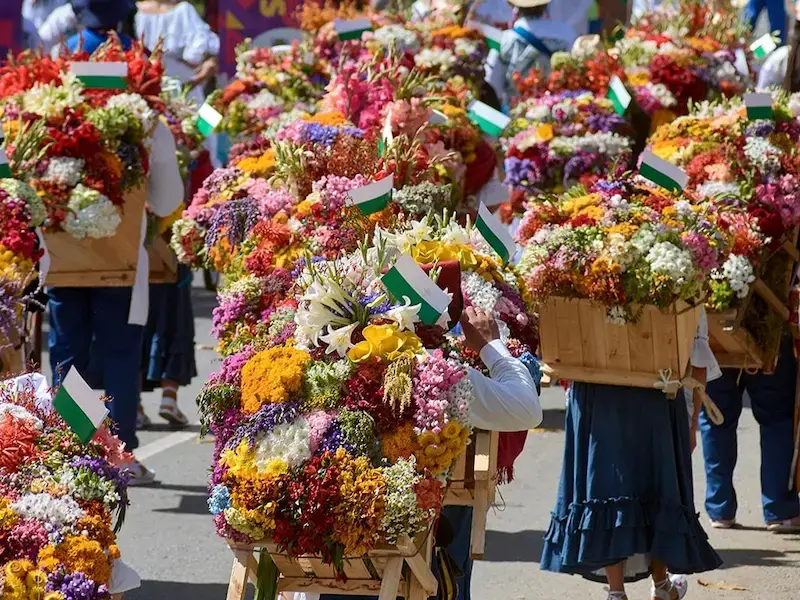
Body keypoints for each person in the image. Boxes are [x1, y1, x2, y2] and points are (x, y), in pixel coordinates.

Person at [310, 307, 543, 600]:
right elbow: (526, 409)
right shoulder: (435, 376)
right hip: (408, 553)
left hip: (332, 566)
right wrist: (490, 345)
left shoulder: (315, 371)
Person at [48, 0, 183, 486]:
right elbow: (169, 197)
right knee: (122, 355)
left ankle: (72, 453)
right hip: (125, 264)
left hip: (61, 260)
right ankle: (118, 455)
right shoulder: (146, 117)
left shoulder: (45, 112)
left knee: (68, 357)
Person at [540, 308, 723, 600]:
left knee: (609, 487)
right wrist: (691, 421)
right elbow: (696, 359)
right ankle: (661, 585)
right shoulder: (680, 292)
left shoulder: (582, 291)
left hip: (598, 398)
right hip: (657, 399)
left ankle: (616, 591)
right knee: (659, 486)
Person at [699, 331, 800, 532]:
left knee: (716, 419)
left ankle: (720, 508)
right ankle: (780, 509)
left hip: (716, 337)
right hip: (769, 335)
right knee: (777, 419)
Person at [488, 0, 577, 106]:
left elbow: (493, 82)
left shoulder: (505, 39)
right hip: (559, 109)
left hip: (517, 111)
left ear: (516, 7)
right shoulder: (567, 32)